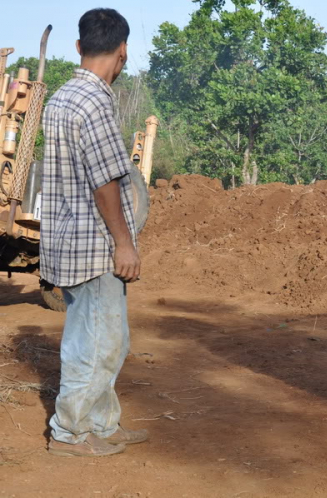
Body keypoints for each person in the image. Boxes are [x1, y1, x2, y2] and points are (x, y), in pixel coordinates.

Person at [41, 8, 148, 457]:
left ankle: (103, 424)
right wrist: (124, 243)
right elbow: (106, 182)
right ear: (122, 51)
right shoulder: (97, 102)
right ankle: (70, 432)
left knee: (98, 335)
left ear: (80, 47)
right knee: (100, 342)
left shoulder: (61, 97)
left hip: (67, 240)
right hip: (96, 245)